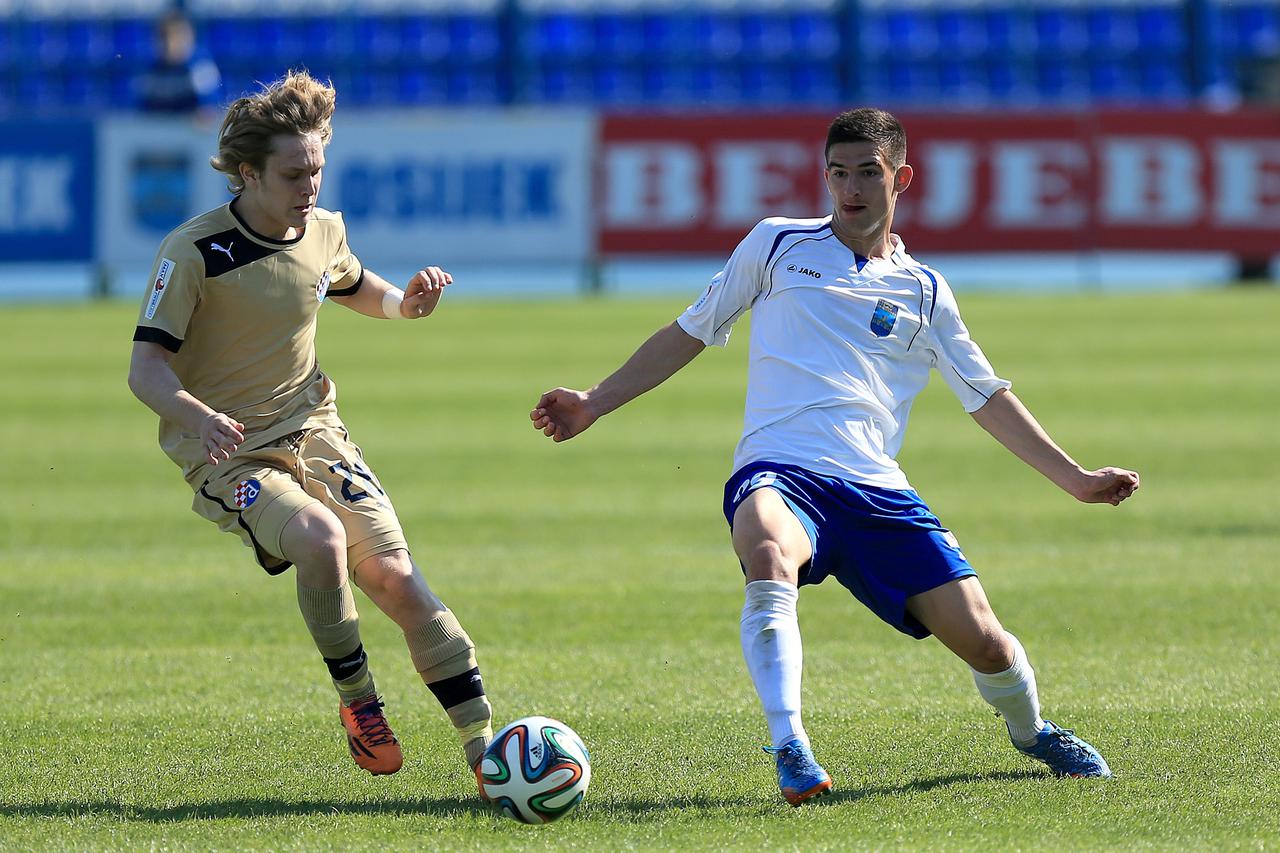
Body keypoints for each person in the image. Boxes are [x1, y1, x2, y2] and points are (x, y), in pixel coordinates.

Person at [531, 108, 1139, 806]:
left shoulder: (925, 290)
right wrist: (595, 401)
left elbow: (987, 396)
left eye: (868, 173)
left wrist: (1076, 479)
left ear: (901, 178)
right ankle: (790, 743)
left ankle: (1032, 731)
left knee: (989, 645)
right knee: (767, 552)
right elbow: (690, 330)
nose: (850, 187)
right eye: (838, 172)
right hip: (779, 469)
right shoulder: (776, 244)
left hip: (877, 489)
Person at [128, 71, 493, 782]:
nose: (310, 186)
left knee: (396, 578)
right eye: (293, 174)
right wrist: (200, 418)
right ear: (247, 173)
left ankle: (486, 750)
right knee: (320, 539)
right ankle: (360, 702)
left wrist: (407, 304)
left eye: (317, 169)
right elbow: (145, 370)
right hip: (230, 454)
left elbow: (353, 285)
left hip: (316, 431)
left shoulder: (324, 230)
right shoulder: (193, 252)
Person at [136, 10, 222, 117]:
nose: (175, 43)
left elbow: (210, 110)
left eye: (180, 36)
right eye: (167, 37)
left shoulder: (201, 66)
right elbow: (139, 112)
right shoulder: (150, 68)